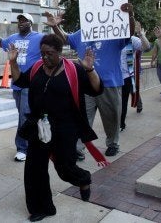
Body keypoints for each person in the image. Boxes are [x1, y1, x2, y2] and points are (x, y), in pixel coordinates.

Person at [8, 34, 103, 222]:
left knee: (65, 168)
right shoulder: (36, 68)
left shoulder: (73, 70)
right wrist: (13, 62)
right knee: (34, 169)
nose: (45, 58)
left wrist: (90, 69)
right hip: (40, 126)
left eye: (49, 54)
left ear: (59, 52)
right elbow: (19, 81)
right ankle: (42, 207)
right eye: (42, 53)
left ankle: (83, 179)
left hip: (65, 127)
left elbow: (96, 89)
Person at [50, 3, 135, 157]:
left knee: (111, 117)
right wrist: (55, 27)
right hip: (85, 83)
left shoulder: (113, 31)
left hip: (109, 84)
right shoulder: (83, 32)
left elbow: (129, 32)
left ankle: (113, 143)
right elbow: (66, 39)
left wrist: (130, 16)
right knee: (83, 117)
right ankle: (79, 147)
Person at [0, 13, 43, 162]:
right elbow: (0, 42)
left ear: (31, 22)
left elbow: (56, 45)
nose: (21, 23)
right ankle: (35, 139)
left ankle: (22, 148)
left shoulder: (39, 37)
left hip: (30, 84)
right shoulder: (13, 38)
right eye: (19, 21)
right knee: (25, 115)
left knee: (24, 116)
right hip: (17, 84)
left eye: (24, 20)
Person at [120, 22, 149, 131]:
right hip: (112, 76)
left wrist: (141, 35)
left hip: (126, 76)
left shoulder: (132, 39)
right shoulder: (111, 39)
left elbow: (146, 47)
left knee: (123, 102)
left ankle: (121, 123)